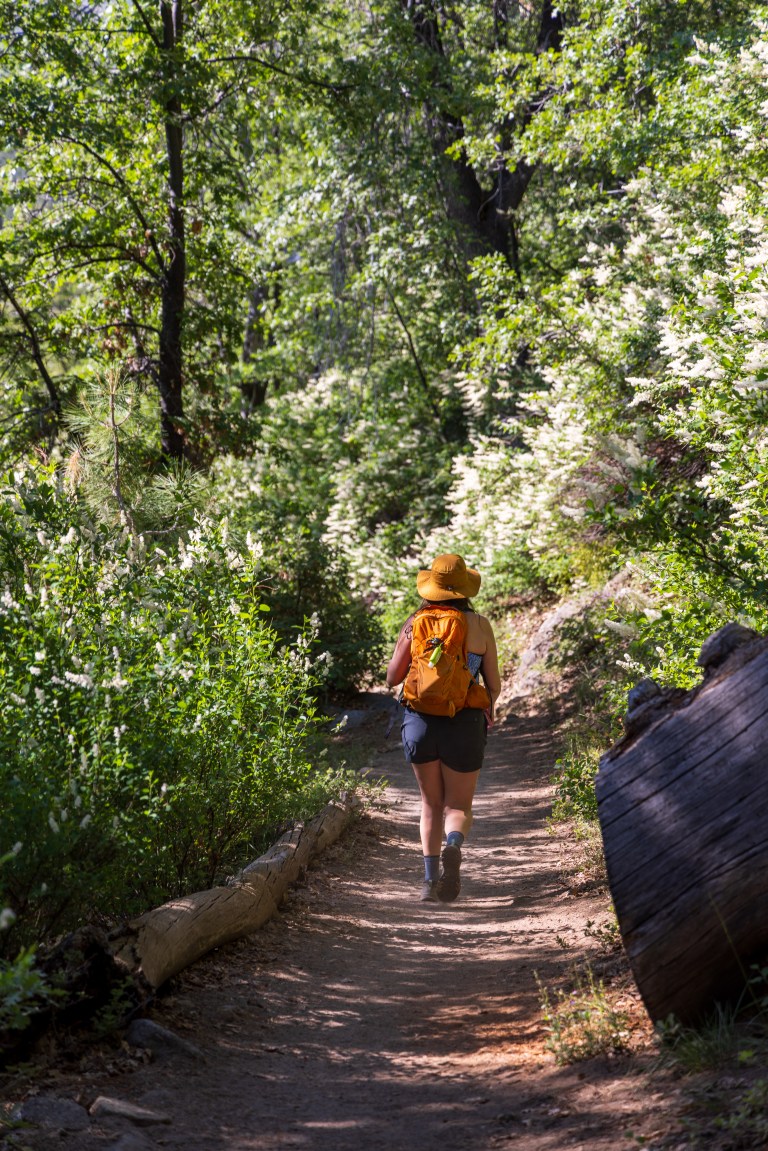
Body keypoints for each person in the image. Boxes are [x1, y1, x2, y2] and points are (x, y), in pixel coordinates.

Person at [386, 553, 501, 903]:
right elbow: (493, 682)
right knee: (458, 807)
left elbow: (393, 677)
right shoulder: (480, 625)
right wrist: (489, 708)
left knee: (430, 804)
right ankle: (453, 845)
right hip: (464, 722)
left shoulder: (415, 621)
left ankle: (428, 882)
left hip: (419, 722)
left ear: (431, 585)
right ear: (465, 587)